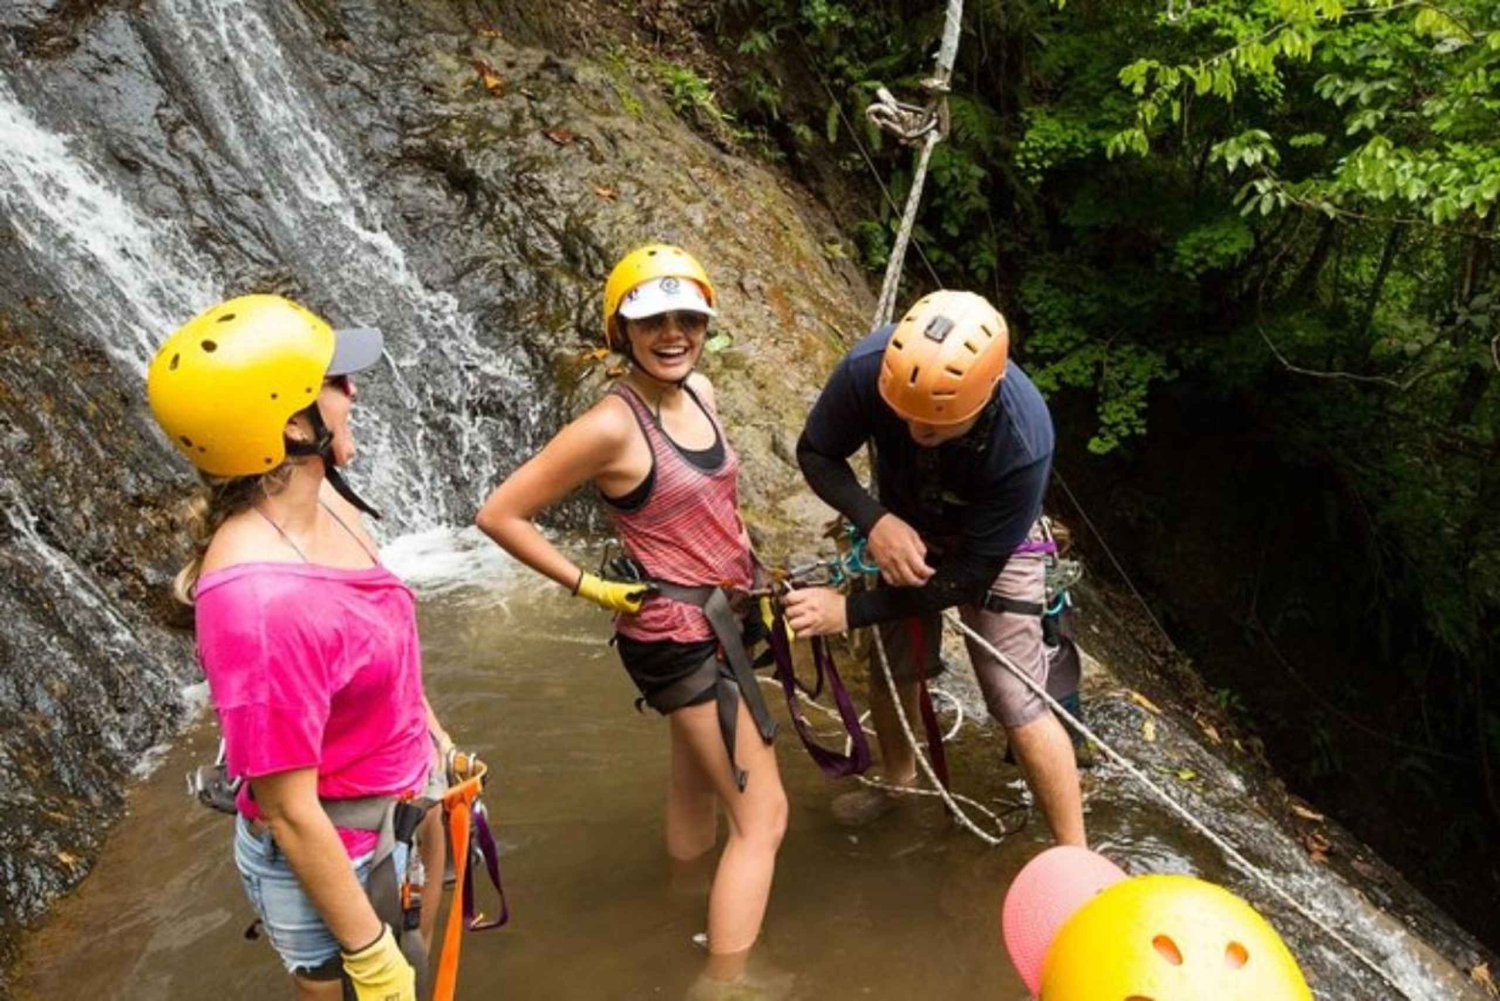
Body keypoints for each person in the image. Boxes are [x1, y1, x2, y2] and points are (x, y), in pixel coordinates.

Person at [475, 245, 790, 998]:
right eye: (654, 321)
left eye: (688, 318)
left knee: (697, 785)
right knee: (765, 817)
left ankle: (678, 907)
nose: (673, 332)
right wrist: (589, 585)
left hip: (726, 613)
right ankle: (726, 981)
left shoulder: (702, 392)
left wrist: (753, 571)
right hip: (677, 635)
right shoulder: (612, 427)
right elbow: (499, 512)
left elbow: (718, 505)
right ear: (623, 330)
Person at [147, 294, 454, 1000]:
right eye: (337, 383)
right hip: (333, 856)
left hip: (401, 809)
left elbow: (387, 654)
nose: (353, 393)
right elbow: (287, 809)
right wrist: (371, 955)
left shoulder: (334, 507)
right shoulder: (257, 604)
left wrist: (439, 743)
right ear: (291, 424)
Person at [782, 289, 1085, 846]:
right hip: (900, 522)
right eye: (905, 416)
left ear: (984, 399)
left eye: (935, 424)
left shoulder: (1023, 441)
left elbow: (968, 578)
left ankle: (1075, 850)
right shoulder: (868, 372)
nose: (915, 430)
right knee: (892, 671)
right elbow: (817, 453)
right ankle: (899, 784)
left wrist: (848, 611)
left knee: (1014, 698)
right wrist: (874, 520)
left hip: (992, 547)